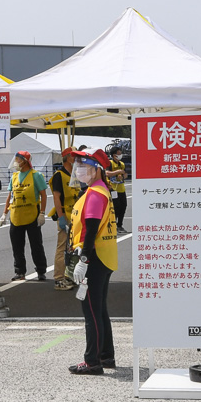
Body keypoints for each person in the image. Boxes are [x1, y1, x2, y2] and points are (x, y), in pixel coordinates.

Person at [67, 148, 117, 374]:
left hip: (94, 258)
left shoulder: (95, 193)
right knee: (100, 309)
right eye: (77, 165)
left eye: (83, 166)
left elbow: (91, 229)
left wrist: (83, 260)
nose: (78, 170)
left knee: (91, 311)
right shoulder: (99, 190)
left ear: (96, 169)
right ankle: (106, 356)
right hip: (104, 257)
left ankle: (92, 361)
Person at [3, 150, 48, 281]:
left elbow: (43, 195)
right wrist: (4, 213)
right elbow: (10, 196)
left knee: (36, 244)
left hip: (32, 215)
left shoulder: (36, 175)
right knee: (17, 246)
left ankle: (41, 270)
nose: (16, 162)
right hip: (16, 215)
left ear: (25, 161)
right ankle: (19, 271)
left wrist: (42, 213)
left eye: (18, 159)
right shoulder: (14, 176)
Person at [49, 147, 81, 291]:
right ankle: (58, 279)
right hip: (66, 216)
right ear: (68, 158)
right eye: (75, 156)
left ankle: (68, 276)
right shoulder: (59, 175)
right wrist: (61, 217)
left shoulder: (73, 174)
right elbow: (56, 197)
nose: (77, 159)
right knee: (62, 247)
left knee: (72, 248)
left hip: (75, 216)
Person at [107, 145, 128, 233]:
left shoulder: (122, 164)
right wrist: (117, 172)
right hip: (113, 189)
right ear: (113, 155)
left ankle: (120, 225)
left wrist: (123, 176)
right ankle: (113, 225)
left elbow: (125, 175)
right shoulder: (110, 163)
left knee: (123, 206)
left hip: (121, 188)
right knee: (115, 207)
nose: (120, 155)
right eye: (118, 154)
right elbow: (107, 173)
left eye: (120, 154)